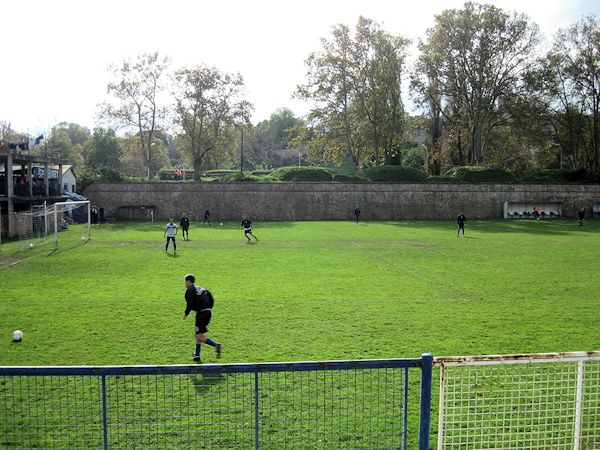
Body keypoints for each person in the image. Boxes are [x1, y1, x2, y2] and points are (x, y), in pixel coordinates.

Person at [183, 274, 222, 361]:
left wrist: (186, 313)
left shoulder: (190, 290)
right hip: (207, 312)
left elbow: (189, 304)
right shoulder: (202, 289)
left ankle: (216, 345)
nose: (185, 284)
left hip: (201, 313)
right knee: (198, 334)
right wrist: (208, 308)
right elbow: (211, 298)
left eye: (185, 281)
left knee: (199, 336)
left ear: (188, 281)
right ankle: (197, 355)